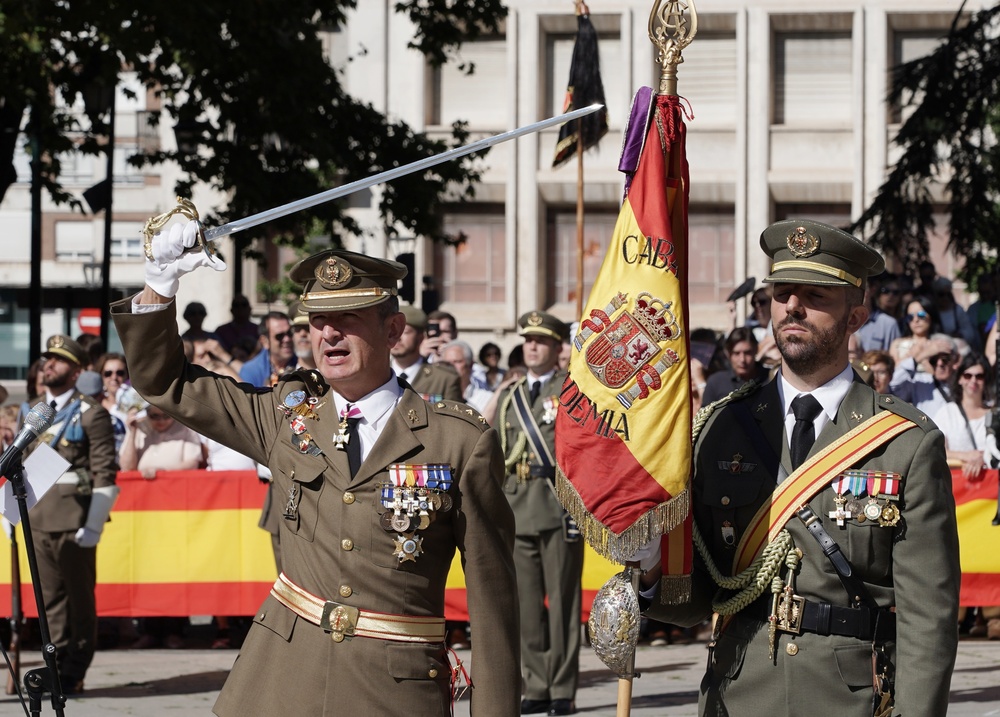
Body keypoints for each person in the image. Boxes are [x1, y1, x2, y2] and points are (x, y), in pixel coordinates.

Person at [110, 221, 519, 716]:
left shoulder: (457, 440)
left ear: (393, 330)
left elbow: (494, 603)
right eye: (317, 320)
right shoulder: (284, 416)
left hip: (394, 689)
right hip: (282, 679)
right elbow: (164, 383)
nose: (328, 334)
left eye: (347, 317)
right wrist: (160, 285)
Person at [640, 219, 959, 717]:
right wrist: (652, 567)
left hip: (852, 699)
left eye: (815, 294)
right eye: (782, 292)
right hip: (738, 692)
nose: (793, 306)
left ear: (857, 315)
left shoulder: (905, 442)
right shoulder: (720, 428)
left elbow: (929, 618)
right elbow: (696, 599)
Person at [496, 311, 581, 716]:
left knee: (563, 602)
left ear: (556, 348)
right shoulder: (510, 395)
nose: (531, 346)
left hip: (556, 504)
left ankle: (562, 687)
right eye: (528, 339)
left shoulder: (570, 389)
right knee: (526, 605)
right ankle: (537, 684)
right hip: (518, 505)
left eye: (541, 341)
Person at [27, 334, 119, 694]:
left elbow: (104, 472)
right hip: (37, 517)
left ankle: (74, 668)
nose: (49, 363)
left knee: (79, 599)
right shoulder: (32, 409)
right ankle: (56, 661)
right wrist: (9, 513)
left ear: (77, 370)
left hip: (74, 518)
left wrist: (94, 522)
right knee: (50, 600)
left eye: (59, 359)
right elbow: (23, 465)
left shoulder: (91, 413)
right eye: (47, 357)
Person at [391, 305, 462, 402]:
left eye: (405, 332)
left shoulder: (444, 379)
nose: (397, 337)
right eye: (392, 330)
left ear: (421, 337)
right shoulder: (375, 375)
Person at [889, 333, 959, 417]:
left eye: (945, 359)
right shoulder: (921, 382)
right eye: (934, 359)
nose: (940, 364)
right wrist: (920, 356)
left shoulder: (965, 381)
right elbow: (893, 383)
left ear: (955, 360)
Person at [700, 327, 771, 405]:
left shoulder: (771, 379)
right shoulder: (716, 382)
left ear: (755, 350)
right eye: (736, 353)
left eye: (747, 353)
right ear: (728, 354)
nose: (742, 360)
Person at [240, 311, 297, 387]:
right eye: (279, 336)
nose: (287, 339)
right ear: (265, 342)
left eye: (290, 333)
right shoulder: (250, 371)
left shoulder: (303, 362)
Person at [440, 340, 493, 414]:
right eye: (447, 363)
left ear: (470, 365)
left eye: (457, 362)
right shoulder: (433, 396)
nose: (451, 366)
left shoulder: (488, 399)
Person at [889, 295, 942, 365]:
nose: (916, 320)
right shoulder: (897, 344)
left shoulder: (940, 344)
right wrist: (915, 356)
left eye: (921, 314)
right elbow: (892, 371)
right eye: (910, 317)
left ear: (931, 315)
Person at [214, 294, 259, 360]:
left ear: (250, 309)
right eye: (236, 305)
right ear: (231, 310)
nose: (240, 308)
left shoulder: (258, 329)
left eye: (244, 305)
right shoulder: (221, 331)